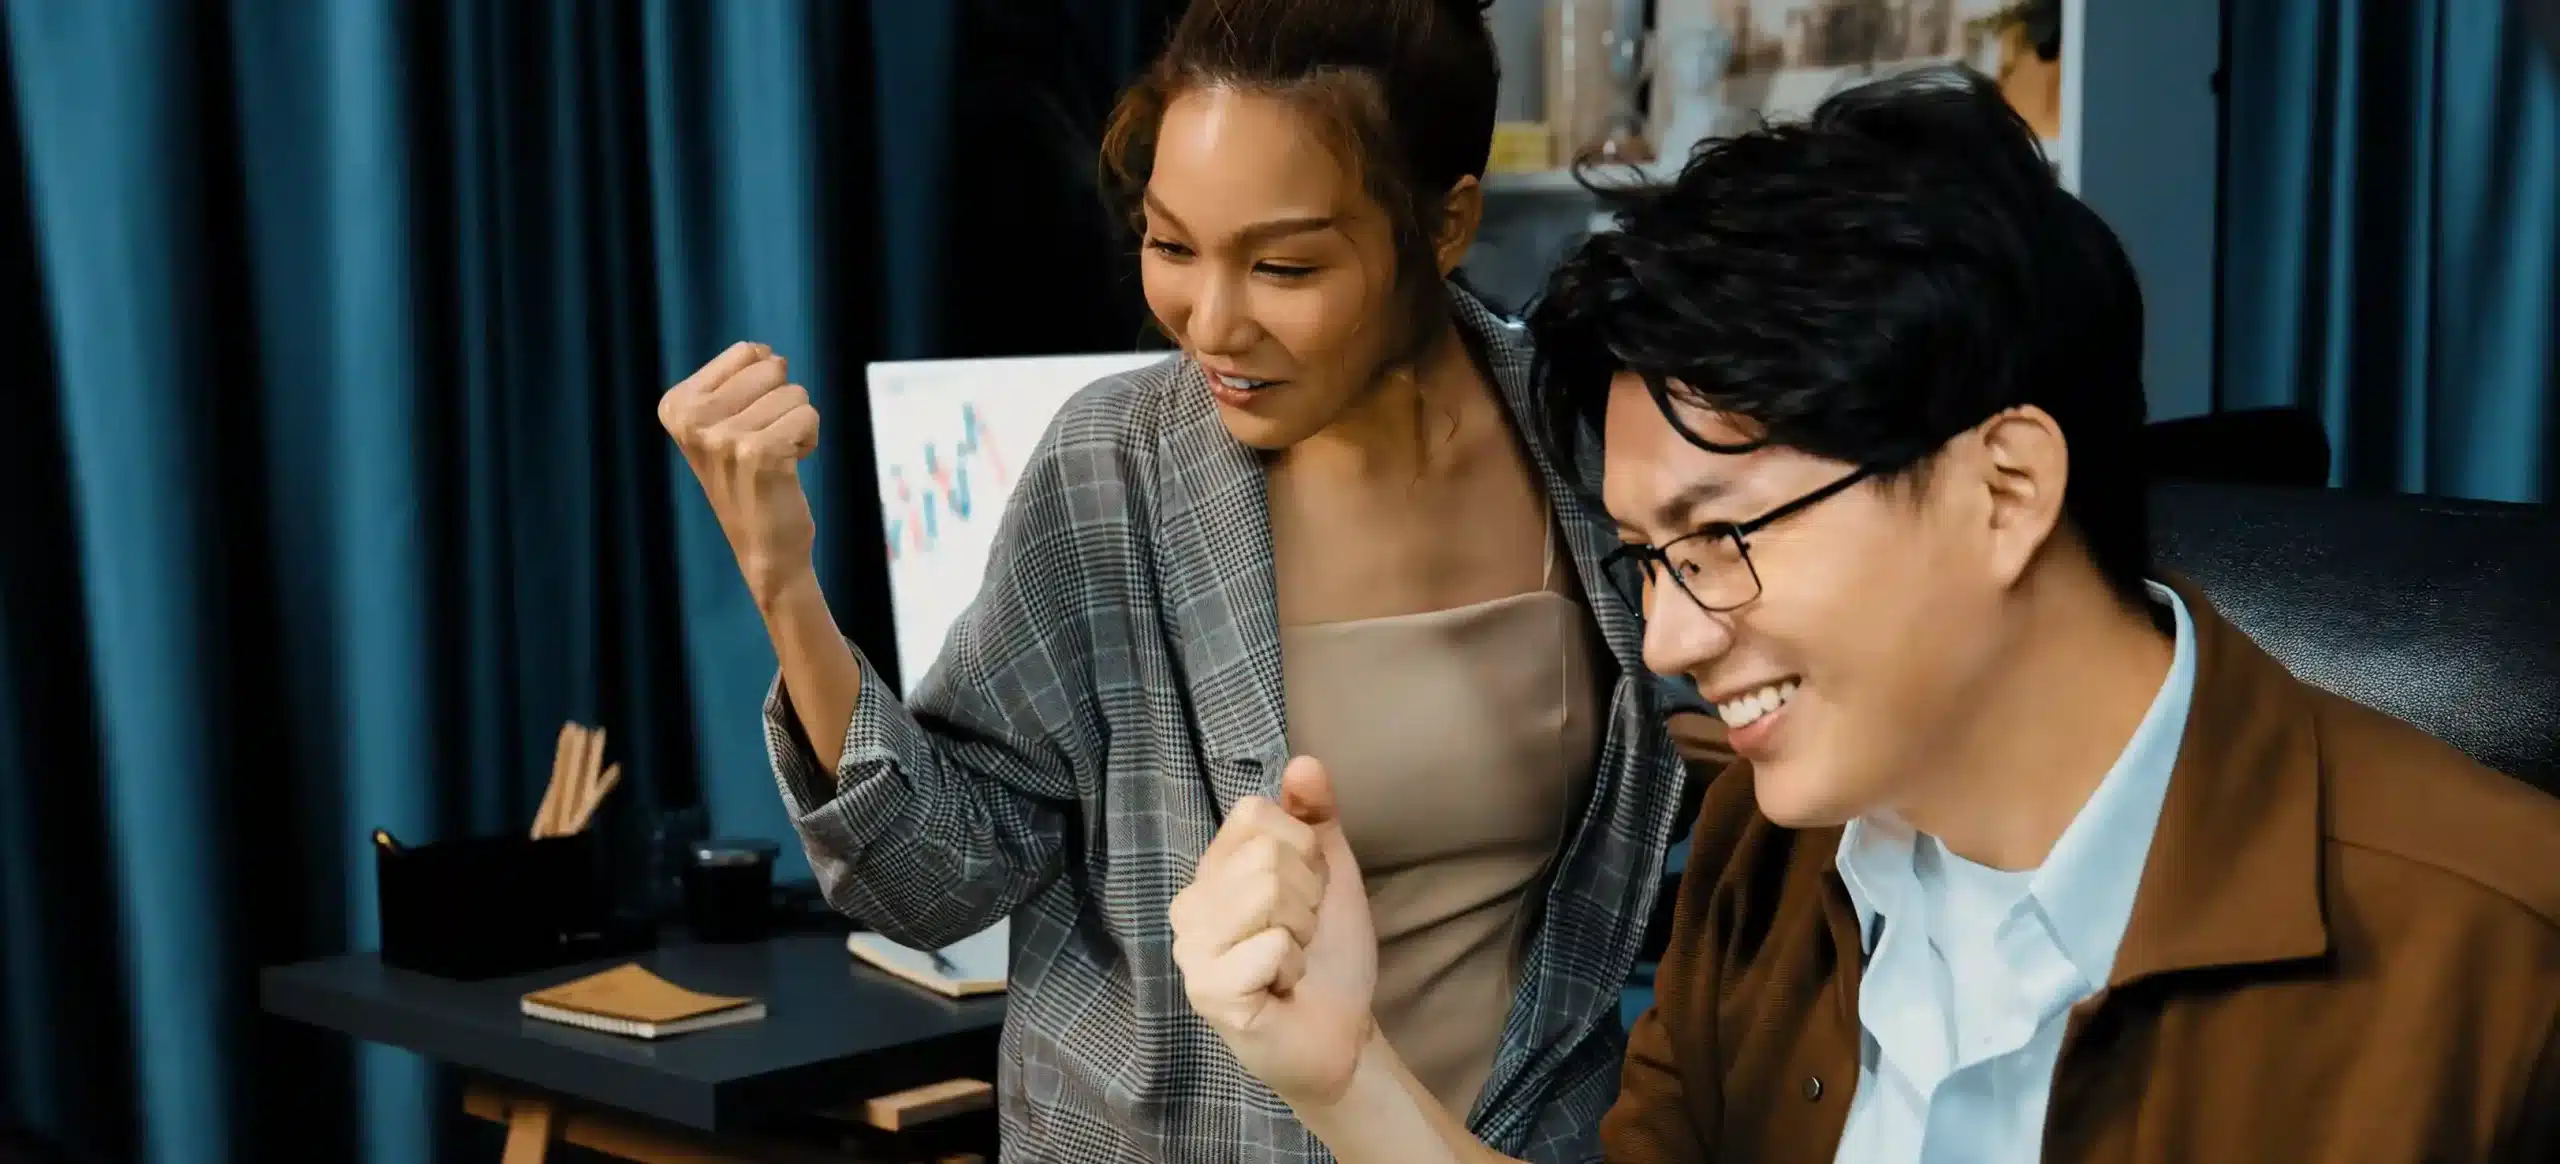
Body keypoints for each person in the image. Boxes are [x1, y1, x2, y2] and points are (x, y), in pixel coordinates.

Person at [1171, 66, 2560, 1163]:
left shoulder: (2503, 957)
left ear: (2004, 489)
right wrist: (1345, 1073)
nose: (1666, 640)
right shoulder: (1769, 858)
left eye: (1719, 537)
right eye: (1650, 556)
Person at [657, 0, 1700, 1159]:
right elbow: (930, 883)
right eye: (1170, 246)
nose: (1210, 321)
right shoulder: (1114, 471)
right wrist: (782, 582)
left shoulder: (1593, 447)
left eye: (1284, 264)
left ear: (1445, 223)